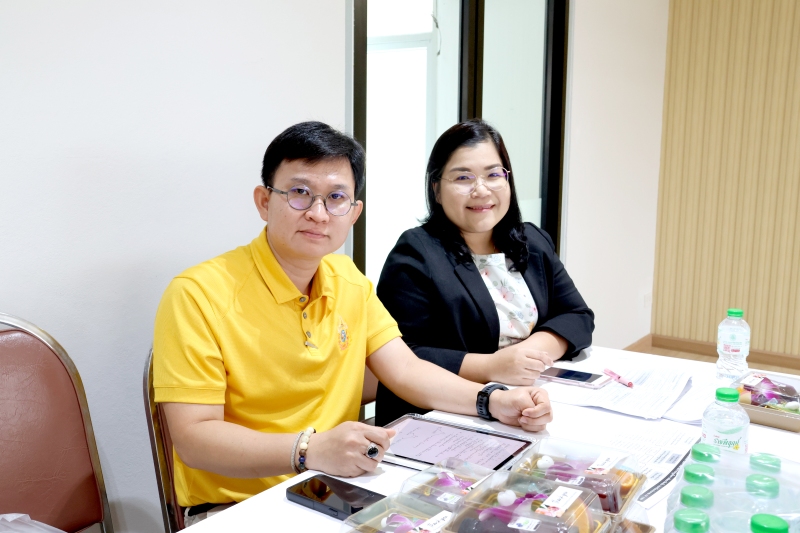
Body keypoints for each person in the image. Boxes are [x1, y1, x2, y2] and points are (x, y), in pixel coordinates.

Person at [152, 121, 553, 524]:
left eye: (336, 197)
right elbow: (194, 438)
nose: (318, 213)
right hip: (238, 508)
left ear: (354, 212)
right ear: (263, 201)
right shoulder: (198, 293)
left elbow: (406, 370)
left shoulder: (348, 280)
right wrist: (308, 450)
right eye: (299, 193)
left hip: (338, 490)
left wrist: (492, 400)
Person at [375, 119, 594, 426]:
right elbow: (404, 356)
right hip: (444, 414)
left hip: (525, 401)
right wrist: (493, 366)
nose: (481, 190)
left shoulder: (531, 241)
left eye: (493, 174)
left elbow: (577, 316)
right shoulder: (415, 253)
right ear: (436, 189)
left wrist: (530, 352)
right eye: (463, 177)